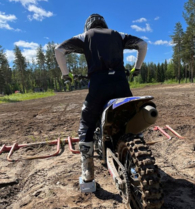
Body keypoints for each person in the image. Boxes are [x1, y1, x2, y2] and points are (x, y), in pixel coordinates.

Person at [55, 13, 147, 184]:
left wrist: (66, 75)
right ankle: (139, 154)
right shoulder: (118, 35)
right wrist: (137, 68)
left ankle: (88, 172)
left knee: (86, 123)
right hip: (121, 85)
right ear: (104, 23)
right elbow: (142, 44)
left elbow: (59, 50)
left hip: (98, 86)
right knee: (131, 119)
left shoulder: (85, 36)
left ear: (88, 25)